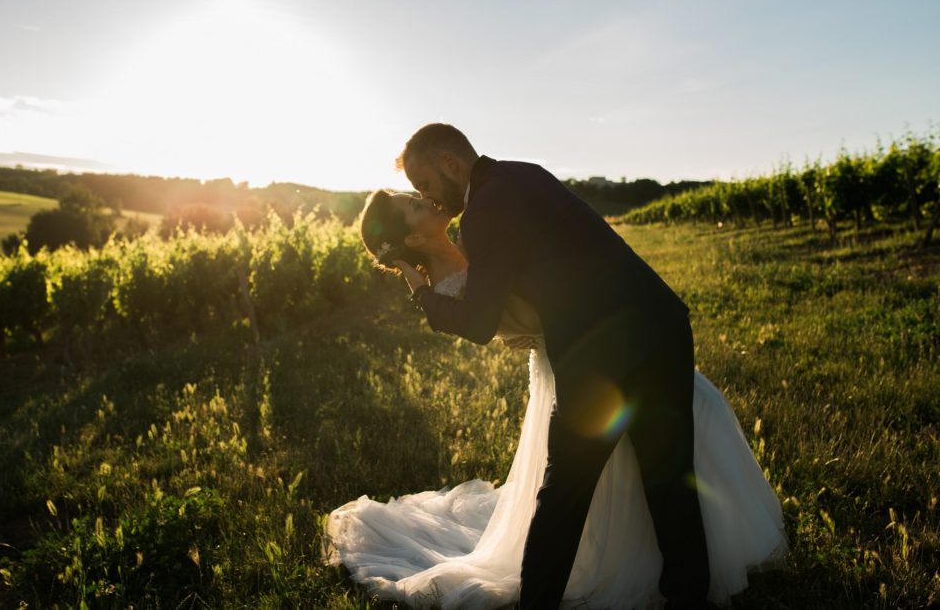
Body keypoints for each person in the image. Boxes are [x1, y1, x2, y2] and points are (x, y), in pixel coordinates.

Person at [324, 176, 787, 608]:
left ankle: (691, 557)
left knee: (690, 417)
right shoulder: (446, 288)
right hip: (572, 358)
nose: (425, 198)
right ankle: (634, 560)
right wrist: (422, 291)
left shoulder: (474, 234)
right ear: (413, 238)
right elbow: (494, 324)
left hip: (600, 341)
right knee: (607, 465)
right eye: (413, 204)